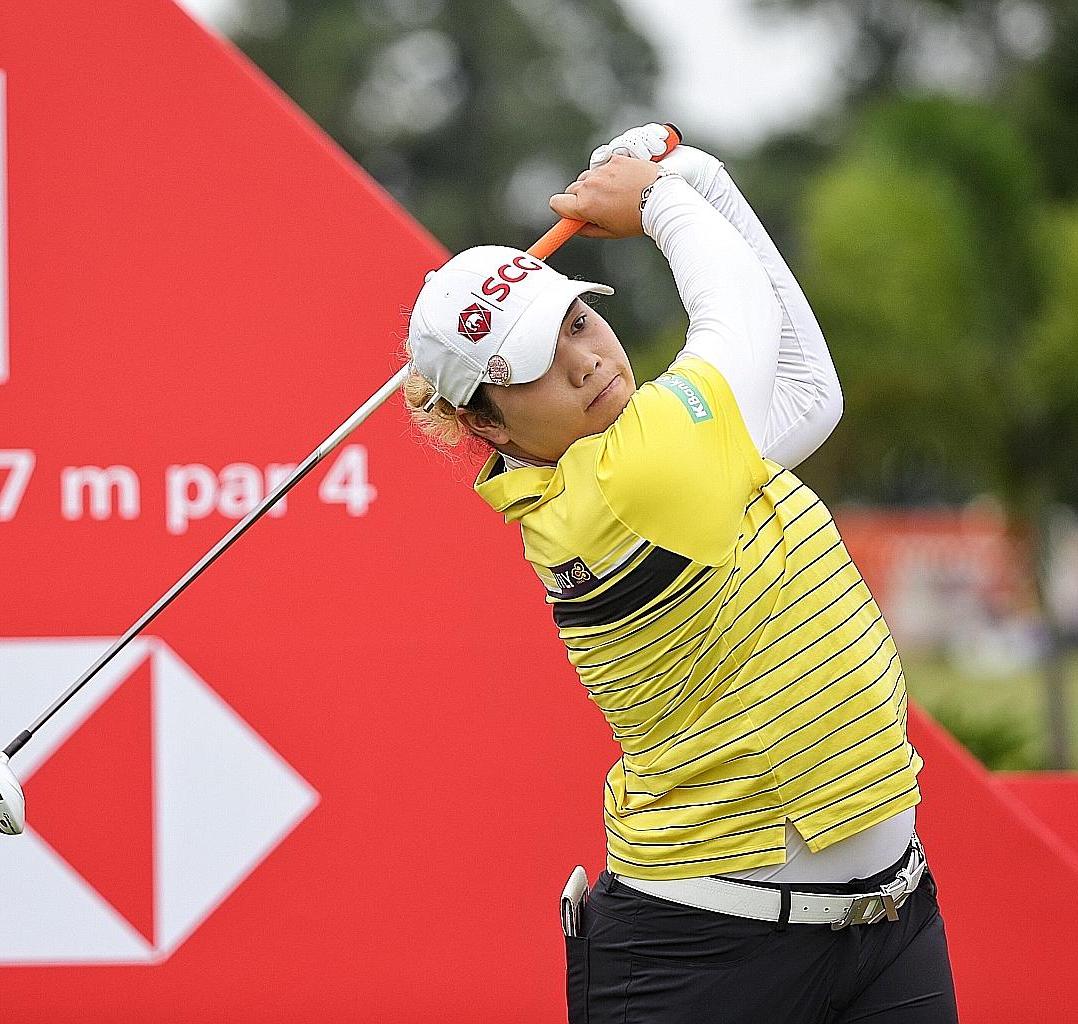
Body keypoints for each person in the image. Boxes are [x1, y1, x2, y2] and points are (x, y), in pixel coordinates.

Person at [401, 124, 958, 1023]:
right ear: (490, 427)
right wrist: (664, 198)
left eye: (576, 321)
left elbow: (808, 392)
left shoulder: (664, 446)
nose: (585, 359)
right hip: (707, 961)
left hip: (889, 927)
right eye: (535, 366)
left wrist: (702, 181)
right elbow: (739, 316)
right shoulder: (620, 484)